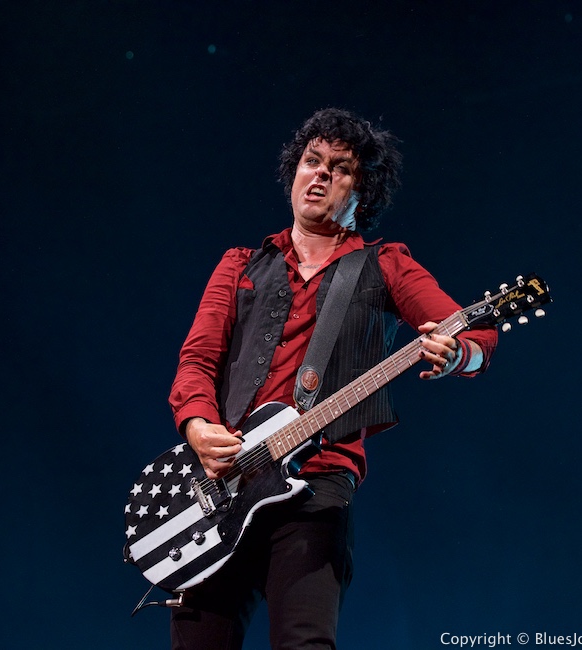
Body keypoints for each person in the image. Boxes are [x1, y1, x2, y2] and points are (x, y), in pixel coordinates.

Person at [166, 108, 498, 649]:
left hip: (315, 486)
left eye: (337, 168)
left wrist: (458, 353)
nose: (317, 174)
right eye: (310, 162)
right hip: (222, 487)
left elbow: (478, 334)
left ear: (361, 191)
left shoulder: (385, 264)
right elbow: (197, 360)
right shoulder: (240, 265)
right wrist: (199, 426)